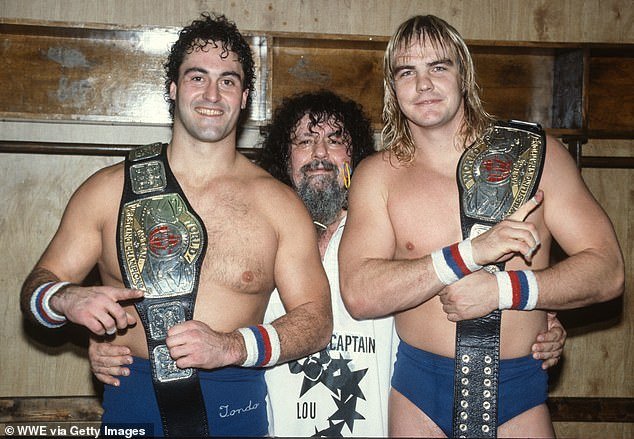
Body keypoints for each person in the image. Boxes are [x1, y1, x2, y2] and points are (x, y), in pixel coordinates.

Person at [89, 90, 567, 437]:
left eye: (335, 141)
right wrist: (113, 341)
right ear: (283, 157)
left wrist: (537, 322)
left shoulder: (390, 239)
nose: (320, 154)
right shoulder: (254, 238)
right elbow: (182, 309)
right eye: (304, 142)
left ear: (356, 159)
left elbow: (453, 294)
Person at [20, 13, 332, 437]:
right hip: (133, 405)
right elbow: (36, 288)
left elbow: (317, 321)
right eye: (197, 77)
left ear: (244, 98)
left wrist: (232, 345)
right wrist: (65, 298)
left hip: (235, 409)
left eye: (227, 81)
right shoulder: (107, 191)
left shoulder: (278, 205)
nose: (212, 94)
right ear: (172, 88)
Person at [338, 15, 624, 438]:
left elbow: (608, 271)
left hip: (519, 391)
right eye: (407, 72)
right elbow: (360, 294)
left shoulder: (536, 158)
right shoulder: (378, 176)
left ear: (464, 74)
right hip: (420, 393)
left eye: (439, 67)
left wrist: (505, 291)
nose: (424, 85)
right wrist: (468, 255)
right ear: (392, 87)